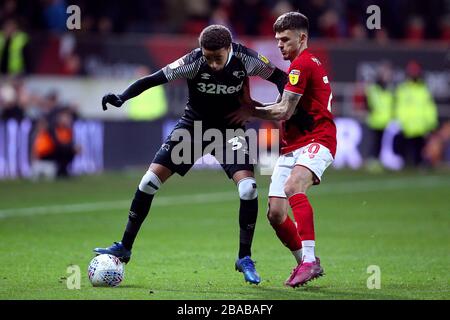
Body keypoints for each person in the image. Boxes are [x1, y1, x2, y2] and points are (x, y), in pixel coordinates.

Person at [94, 25, 287, 284]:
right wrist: (122, 97)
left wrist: (261, 110)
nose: (213, 64)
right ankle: (125, 247)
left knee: (249, 189)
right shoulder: (193, 62)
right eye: (208, 57)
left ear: (229, 48)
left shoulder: (247, 59)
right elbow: (153, 79)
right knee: (148, 182)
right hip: (192, 130)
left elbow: (281, 79)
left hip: (230, 133)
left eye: (217, 58)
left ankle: (244, 257)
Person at [229, 12, 336, 287]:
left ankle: (310, 261)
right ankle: (305, 261)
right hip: (292, 146)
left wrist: (249, 110)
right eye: (277, 40)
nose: (279, 45)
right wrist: (252, 104)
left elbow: (284, 110)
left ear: (302, 38)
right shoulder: (299, 68)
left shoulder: (302, 65)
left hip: (317, 140)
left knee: (292, 187)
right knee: (275, 213)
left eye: (285, 39)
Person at [395, 60, 438, 167]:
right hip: (407, 127)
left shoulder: (424, 89)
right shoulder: (403, 89)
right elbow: (399, 107)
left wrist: (431, 123)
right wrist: (401, 122)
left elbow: (429, 107)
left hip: (421, 127)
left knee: (419, 154)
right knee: (405, 155)